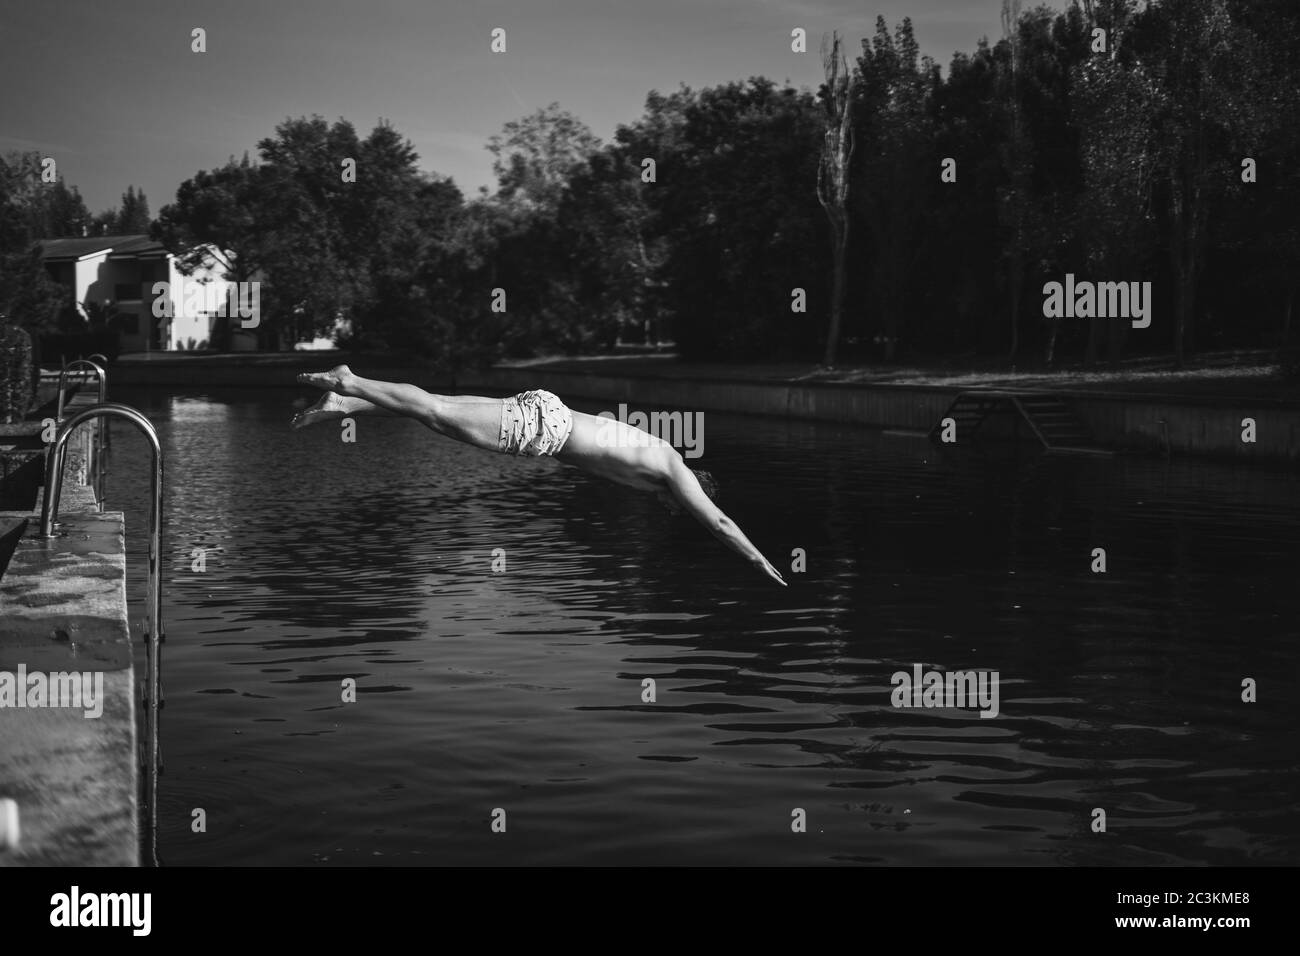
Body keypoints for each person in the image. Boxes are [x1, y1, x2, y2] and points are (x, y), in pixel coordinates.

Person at [294, 366, 787, 586]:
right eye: (682, 506)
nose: (672, 509)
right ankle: (350, 379)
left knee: (433, 412)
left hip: (548, 412)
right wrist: (757, 559)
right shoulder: (674, 471)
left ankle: (344, 404)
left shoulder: (658, 454)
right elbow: (719, 524)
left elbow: (604, 434)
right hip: (542, 429)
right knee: (439, 412)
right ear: (692, 494)